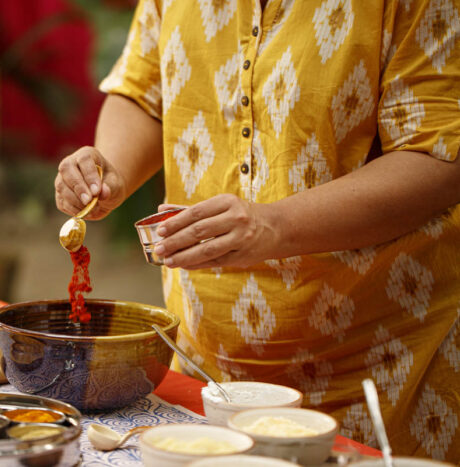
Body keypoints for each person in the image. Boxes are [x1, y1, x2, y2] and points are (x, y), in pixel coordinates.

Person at [54, 0, 460, 462]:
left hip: (380, 376)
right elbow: (144, 94)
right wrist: (112, 171)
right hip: (205, 376)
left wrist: (275, 226)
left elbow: (439, 156)